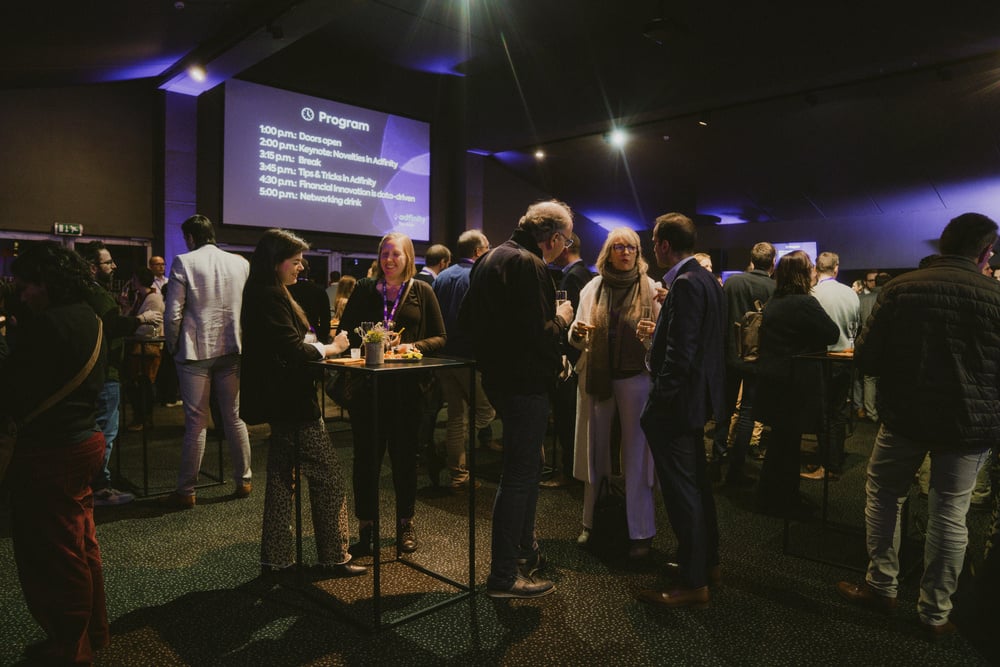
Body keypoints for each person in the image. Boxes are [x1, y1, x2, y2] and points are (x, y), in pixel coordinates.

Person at [836, 213, 1000, 639]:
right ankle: (935, 612)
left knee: (884, 494)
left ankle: (881, 586)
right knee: (951, 512)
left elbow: (868, 357)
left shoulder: (900, 289)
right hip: (969, 425)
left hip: (906, 415)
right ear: (985, 253)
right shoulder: (996, 296)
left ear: (942, 245)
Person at [461, 199, 575, 599]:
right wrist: (562, 316)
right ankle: (504, 576)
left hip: (498, 379)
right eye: (567, 239)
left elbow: (469, 323)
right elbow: (537, 333)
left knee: (525, 470)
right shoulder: (529, 263)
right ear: (556, 237)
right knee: (520, 477)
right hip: (525, 383)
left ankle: (524, 553)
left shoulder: (490, 258)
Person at [1, 244, 109, 664]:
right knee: (81, 544)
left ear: (45, 283)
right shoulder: (91, 317)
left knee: (54, 554)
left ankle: (69, 648)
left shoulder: (47, 326)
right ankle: (93, 633)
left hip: (51, 450)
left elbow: (11, 389)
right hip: (84, 441)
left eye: (26, 285)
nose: (22, 293)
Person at [239, 229, 366, 578]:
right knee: (328, 477)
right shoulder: (268, 295)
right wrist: (333, 348)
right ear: (276, 262)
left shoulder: (267, 292)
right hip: (292, 401)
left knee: (282, 480)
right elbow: (293, 350)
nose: (300, 268)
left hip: (281, 400)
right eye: (295, 262)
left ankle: (276, 559)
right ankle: (334, 555)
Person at [636, 212, 725, 610]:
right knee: (698, 487)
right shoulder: (706, 279)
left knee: (683, 492)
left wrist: (658, 404)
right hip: (698, 400)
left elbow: (680, 356)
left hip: (677, 405)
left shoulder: (686, 284)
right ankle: (706, 564)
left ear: (664, 245)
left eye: (654, 241)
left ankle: (693, 583)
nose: (652, 248)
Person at [337, 232, 446, 555]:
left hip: (407, 392)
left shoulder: (422, 291)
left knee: (405, 461)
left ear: (408, 258)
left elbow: (440, 337)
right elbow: (345, 331)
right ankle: (366, 528)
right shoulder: (365, 288)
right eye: (384, 253)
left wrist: (414, 345)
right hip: (368, 391)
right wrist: (365, 345)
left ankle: (405, 524)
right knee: (365, 462)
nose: (389, 259)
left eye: (395, 254)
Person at [569, 227, 658, 559]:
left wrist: (654, 334)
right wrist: (576, 332)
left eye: (631, 247)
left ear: (638, 253)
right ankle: (592, 523)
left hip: (637, 377)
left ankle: (641, 532)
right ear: (608, 252)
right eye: (618, 247)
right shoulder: (593, 287)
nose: (625, 252)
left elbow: (661, 341)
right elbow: (576, 336)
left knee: (638, 456)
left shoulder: (651, 289)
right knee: (596, 453)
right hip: (599, 376)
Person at [163, 214, 253, 508]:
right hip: (232, 349)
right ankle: (245, 480)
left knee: (196, 422)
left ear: (190, 237)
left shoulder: (184, 262)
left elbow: (173, 313)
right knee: (234, 417)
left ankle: (187, 490)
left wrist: (172, 345)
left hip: (194, 352)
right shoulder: (241, 263)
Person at [753, 251, 838, 517]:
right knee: (789, 445)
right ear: (802, 274)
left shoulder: (774, 301)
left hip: (773, 381)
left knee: (781, 442)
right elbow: (832, 333)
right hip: (795, 384)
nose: (814, 270)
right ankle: (783, 499)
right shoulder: (804, 303)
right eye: (810, 267)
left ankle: (771, 495)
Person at [79, 241, 161, 507]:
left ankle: (90, 483)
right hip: (106, 369)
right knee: (106, 430)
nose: (114, 266)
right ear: (92, 267)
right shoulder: (96, 294)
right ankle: (99, 487)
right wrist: (141, 319)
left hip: (96, 369)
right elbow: (113, 325)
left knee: (96, 427)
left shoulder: (84, 291)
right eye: (108, 262)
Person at [432, 230, 497, 489]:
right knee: (486, 410)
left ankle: (458, 473)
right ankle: (443, 450)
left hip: (443, 355)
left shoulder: (442, 277)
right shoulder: (479, 275)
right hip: (469, 357)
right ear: (478, 251)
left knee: (457, 415)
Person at [713, 241, 776, 486]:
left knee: (724, 409)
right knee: (748, 412)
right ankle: (736, 470)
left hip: (728, 355)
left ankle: (717, 459)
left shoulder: (732, 282)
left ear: (751, 260)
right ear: (772, 263)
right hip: (756, 358)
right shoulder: (774, 287)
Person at [803, 251, 860, 481]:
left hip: (821, 359)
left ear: (816, 268)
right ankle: (834, 459)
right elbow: (855, 326)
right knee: (838, 411)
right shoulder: (850, 293)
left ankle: (827, 464)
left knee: (822, 412)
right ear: (836, 268)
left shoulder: (812, 294)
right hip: (846, 357)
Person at [543, 232, 593, 489]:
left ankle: (569, 472)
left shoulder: (572, 277)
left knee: (567, 417)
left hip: (571, 358)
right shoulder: (585, 274)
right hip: (578, 358)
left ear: (565, 246)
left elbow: (574, 322)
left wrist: (565, 355)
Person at [125, 267, 165, 432]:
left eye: (134, 278)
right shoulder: (140, 297)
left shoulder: (153, 298)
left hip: (148, 345)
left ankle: (144, 419)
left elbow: (151, 324)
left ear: (140, 280)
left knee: (144, 384)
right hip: (139, 345)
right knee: (138, 384)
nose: (132, 282)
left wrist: (133, 325)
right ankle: (140, 418)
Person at [287, 257, 332, 343]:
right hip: (313, 336)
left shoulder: (285, 290)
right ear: (308, 270)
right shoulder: (319, 291)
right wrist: (322, 340)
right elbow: (325, 319)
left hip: (289, 336)